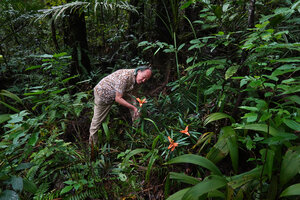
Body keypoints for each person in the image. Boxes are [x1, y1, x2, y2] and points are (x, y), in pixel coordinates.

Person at [89, 66, 152, 146]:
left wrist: (140, 105)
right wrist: (133, 107)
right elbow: (118, 99)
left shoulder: (137, 78)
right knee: (97, 122)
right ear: (139, 71)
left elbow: (133, 94)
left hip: (120, 93)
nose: (143, 80)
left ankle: (136, 136)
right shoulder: (125, 77)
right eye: (143, 77)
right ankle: (92, 148)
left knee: (137, 111)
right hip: (103, 94)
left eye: (146, 80)